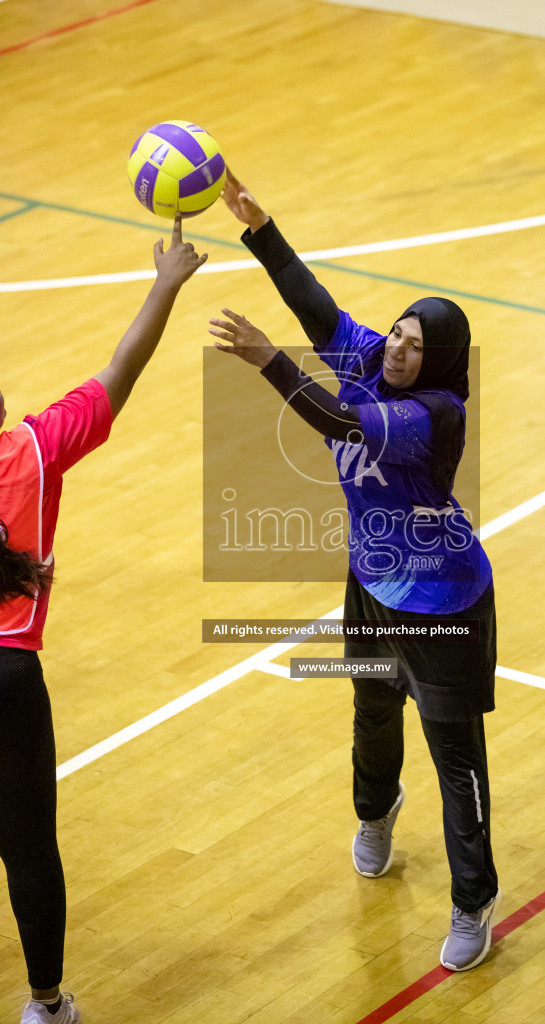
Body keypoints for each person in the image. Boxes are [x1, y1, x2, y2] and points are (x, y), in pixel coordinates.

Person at [209, 169, 500, 972]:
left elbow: (336, 418)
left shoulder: (432, 414)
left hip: (442, 603)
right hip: (371, 583)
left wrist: (271, 362)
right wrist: (260, 228)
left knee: (456, 758)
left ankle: (473, 900)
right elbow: (318, 308)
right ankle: (374, 813)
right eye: (398, 334)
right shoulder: (372, 357)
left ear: (438, 361)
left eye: (415, 345)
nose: (398, 348)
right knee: (370, 711)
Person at [0, 215, 207, 1024]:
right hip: (12, 675)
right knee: (28, 846)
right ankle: (47, 1004)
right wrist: (165, 283)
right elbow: (121, 370)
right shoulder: (35, 449)